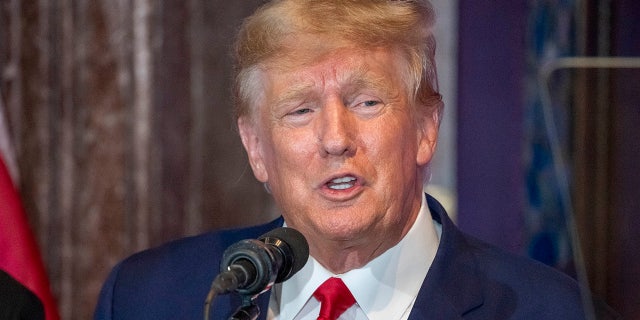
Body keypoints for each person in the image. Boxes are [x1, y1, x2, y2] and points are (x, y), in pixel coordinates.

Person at [94, 1, 616, 319]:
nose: (336, 139)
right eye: (299, 110)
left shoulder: (554, 313)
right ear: (256, 148)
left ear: (426, 131)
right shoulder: (149, 299)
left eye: (366, 102)